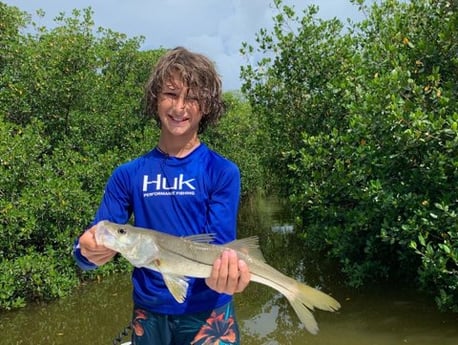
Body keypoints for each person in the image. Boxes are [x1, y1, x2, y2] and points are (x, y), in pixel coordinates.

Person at [73, 47, 251, 345]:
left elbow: (221, 247)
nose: (180, 107)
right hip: (149, 314)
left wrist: (230, 275)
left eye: (192, 97)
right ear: (155, 98)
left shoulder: (222, 171)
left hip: (209, 313)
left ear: (206, 106)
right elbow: (96, 241)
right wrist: (86, 253)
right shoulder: (128, 174)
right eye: (170, 93)